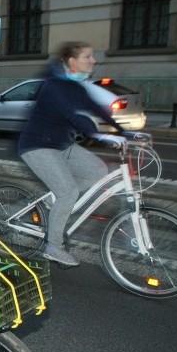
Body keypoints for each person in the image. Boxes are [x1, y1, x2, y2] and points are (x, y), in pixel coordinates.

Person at [17, 41, 126, 267]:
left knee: (98, 170)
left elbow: (95, 108)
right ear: (72, 61)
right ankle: (53, 246)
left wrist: (126, 132)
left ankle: (55, 198)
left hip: (62, 145)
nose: (93, 60)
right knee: (69, 192)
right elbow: (73, 116)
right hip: (37, 146)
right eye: (88, 56)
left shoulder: (76, 86)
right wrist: (101, 137)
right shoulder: (55, 86)